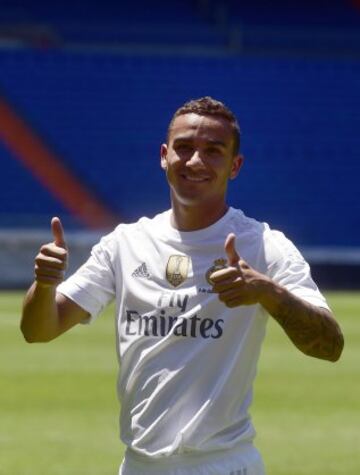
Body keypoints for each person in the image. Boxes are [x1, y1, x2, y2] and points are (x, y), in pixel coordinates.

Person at [21, 96, 344, 475]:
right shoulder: (126, 243)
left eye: (213, 151)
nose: (195, 161)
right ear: (164, 155)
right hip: (139, 466)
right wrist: (45, 284)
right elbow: (39, 330)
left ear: (235, 166)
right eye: (184, 148)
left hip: (223, 465)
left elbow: (330, 346)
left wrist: (268, 293)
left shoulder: (263, 245)